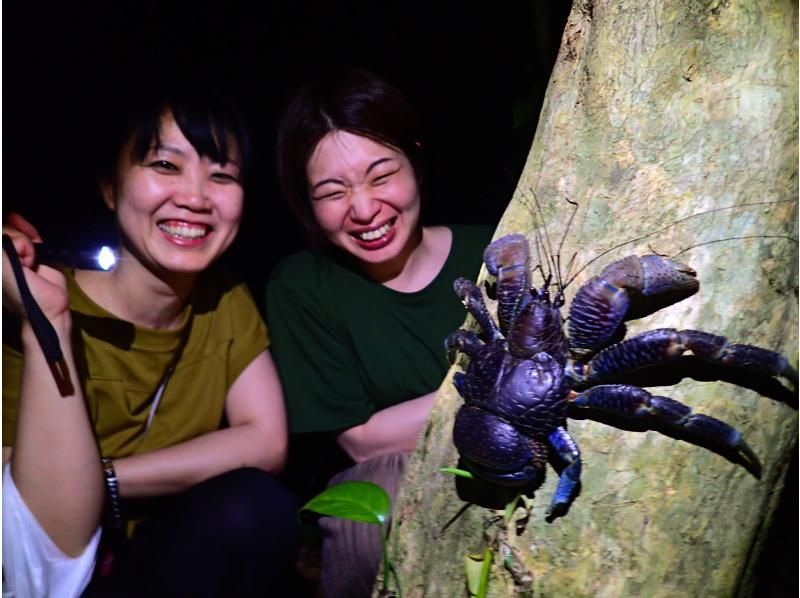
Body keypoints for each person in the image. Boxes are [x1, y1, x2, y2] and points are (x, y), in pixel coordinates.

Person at [2, 88, 299, 597]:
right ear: (110, 188)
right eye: (166, 164)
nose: (195, 196)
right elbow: (32, 513)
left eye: (221, 174)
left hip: (157, 559)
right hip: (50, 570)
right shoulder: (32, 300)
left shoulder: (224, 298)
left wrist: (107, 482)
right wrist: (47, 322)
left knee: (254, 507)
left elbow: (264, 442)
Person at [266, 67, 495, 597]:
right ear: (305, 201)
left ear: (415, 157)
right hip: (401, 481)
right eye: (332, 191)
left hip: (513, 459)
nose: (365, 208)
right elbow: (363, 439)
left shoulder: (492, 250)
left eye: (381, 174)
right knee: (372, 505)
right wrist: (496, 379)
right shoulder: (303, 287)